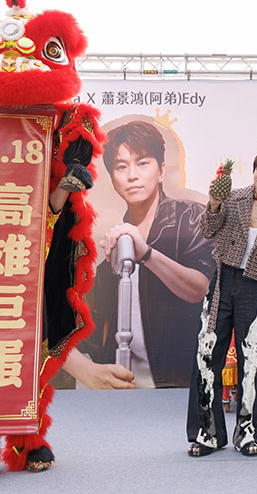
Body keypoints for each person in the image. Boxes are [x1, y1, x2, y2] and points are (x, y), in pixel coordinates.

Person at [69, 121, 215, 388]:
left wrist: (146, 254)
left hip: (178, 382)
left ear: (161, 170)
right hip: (124, 383)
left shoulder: (191, 218)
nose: (132, 175)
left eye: (143, 163)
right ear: (113, 179)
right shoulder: (110, 252)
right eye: (121, 166)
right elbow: (92, 330)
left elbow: (201, 289)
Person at [187, 151, 257, 457]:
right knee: (207, 356)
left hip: (256, 286)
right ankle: (208, 433)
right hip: (222, 279)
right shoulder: (233, 197)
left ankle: (250, 434)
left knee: (251, 362)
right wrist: (214, 204)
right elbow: (207, 229)